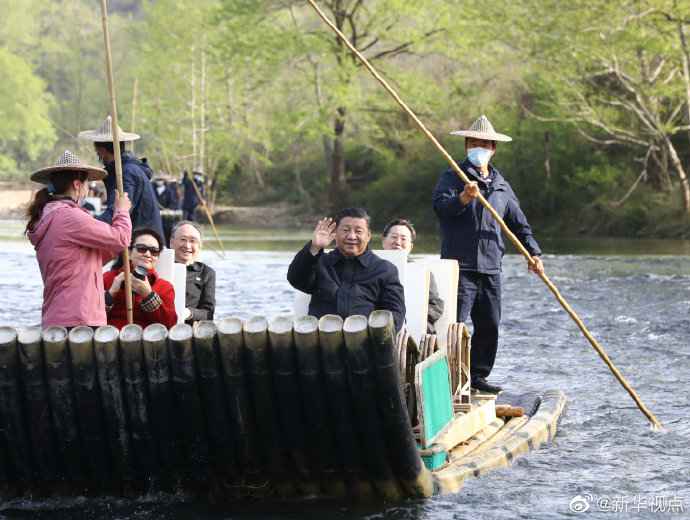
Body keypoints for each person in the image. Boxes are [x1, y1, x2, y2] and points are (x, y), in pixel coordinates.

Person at [432, 115, 544, 394]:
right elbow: (440, 208)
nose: (479, 147)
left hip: (491, 267)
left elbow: (518, 224)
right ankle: (449, 379)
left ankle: (478, 377)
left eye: (484, 144)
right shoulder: (452, 177)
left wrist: (533, 253)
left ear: (493, 149)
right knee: (455, 325)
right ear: (467, 145)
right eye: (474, 143)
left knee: (490, 325)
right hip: (460, 265)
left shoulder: (501, 186)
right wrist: (463, 199)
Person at [26, 150, 132, 328]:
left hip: (58, 315)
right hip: (79, 317)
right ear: (77, 185)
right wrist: (121, 211)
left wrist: (109, 245)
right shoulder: (69, 216)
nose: (87, 189)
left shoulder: (49, 215)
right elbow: (121, 238)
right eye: (86, 185)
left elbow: (84, 260)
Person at [287, 207, 406, 331]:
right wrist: (314, 247)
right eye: (345, 230)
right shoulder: (320, 262)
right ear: (335, 234)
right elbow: (295, 279)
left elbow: (395, 313)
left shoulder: (384, 270)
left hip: (365, 344)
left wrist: (378, 337)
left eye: (358, 231)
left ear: (368, 236)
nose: (352, 236)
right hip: (321, 342)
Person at [78, 115, 164, 239]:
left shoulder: (126, 173)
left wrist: (84, 225)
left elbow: (117, 213)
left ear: (101, 150)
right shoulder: (123, 170)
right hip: (137, 237)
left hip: (143, 243)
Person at [104, 228, 177, 329]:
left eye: (154, 251)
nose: (148, 254)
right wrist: (111, 293)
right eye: (142, 248)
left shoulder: (165, 287)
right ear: (129, 253)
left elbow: (170, 325)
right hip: (111, 339)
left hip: (147, 341)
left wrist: (148, 295)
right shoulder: (108, 278)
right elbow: (91, 318)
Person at [382, 218, 444, 334]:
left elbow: (436, 305)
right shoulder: (370, 268)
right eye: (394, 237)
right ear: (384, 241)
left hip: (413, 329)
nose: (398, 242)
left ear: (410, 246)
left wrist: (416, 316)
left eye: (403, 239)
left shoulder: (421, 272)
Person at [170, 220, 216, 324]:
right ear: (171, 242)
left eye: (193, 241)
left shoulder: (206, 273)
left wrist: (188, 313)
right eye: (183, 239)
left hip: (190, 329)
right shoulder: (160, 266)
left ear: (200, 245)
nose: (187, 245)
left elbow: (209, 313)